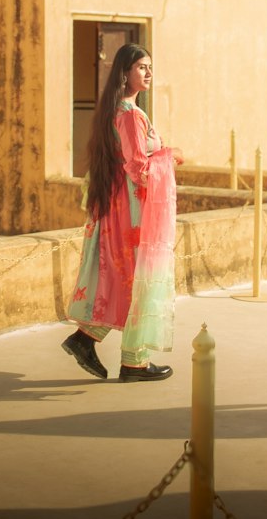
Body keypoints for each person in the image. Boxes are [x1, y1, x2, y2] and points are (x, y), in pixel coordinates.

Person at [63, 43, 184, 382]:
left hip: (117, 207)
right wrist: (170, 156)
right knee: (138, 278)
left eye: (150, 67)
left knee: (125, 279)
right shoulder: (129, 114)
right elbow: (138, 168)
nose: (148, 73)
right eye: (142, 67)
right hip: (131, 212)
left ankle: (89, 340)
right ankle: (132, 363)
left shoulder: (113, 110)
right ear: (124, 72)